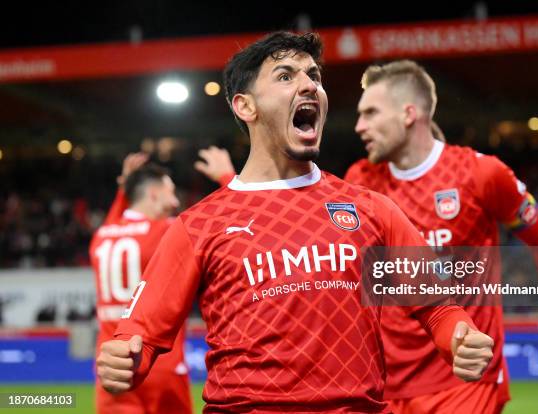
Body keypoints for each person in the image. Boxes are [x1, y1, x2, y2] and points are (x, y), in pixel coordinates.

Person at [96, 32, 494, 412]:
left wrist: (459, 339)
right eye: (286, 76)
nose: (309, 85)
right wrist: (125, 358)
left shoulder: (374, 210)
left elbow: (439, 308)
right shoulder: (198, 226)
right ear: (245, 106)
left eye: (314, 76)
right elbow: (141, 336)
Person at [345, 59, 538, 413]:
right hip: (387, 385)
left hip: (466, 383)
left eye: (370, 113)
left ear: (408, 113)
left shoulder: (480, 174)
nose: (359, 126)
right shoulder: (360, 180)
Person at [89, 154, 192, 414]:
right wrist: (227, 177)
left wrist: (124, 188)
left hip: (112, 368)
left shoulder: (102, 236)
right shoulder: (167, 232)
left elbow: (119, 218)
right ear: (154, 194)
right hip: (160, 366)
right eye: (171, 192)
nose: (176, 201)